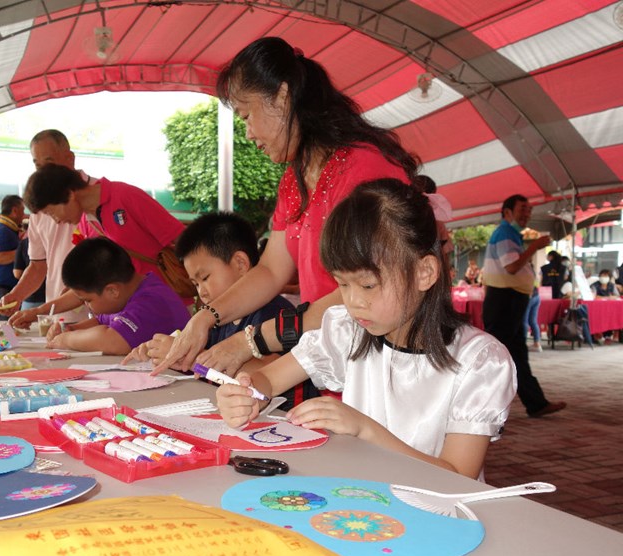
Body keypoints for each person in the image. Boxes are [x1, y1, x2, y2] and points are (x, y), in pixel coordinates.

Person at [154, 37, 419, 389]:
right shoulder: (295, 182)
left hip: (381, 366)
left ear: (282, 96)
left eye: (247, 116)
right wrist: (205, 317)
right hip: (332, 360)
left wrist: (250, 340)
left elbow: (365, 289)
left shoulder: (363, 169)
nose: (247, 133)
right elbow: (269, 270)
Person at [216, 179, 514, 480]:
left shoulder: (479, 361)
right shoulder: (349, 331)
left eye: (368, 285)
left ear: (424, 272)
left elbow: (459, 476)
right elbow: (267, 378)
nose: (354, 301)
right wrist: (247, 393)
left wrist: (365, 429)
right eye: (342, 284)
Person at [16, 163, 187, 321]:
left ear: (69, 194)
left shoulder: (125, 196)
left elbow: (185, 241)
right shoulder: (85, 223)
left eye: (51, 212)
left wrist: (206, 299)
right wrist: (38, 312)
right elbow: (87, 288)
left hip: (168, 309)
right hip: (133, 317)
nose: (57, 221)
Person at [125, 212, 292, 367]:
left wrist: (191, 360)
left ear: (240, 264)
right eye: (195, 284)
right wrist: (161, 350)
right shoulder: (215, 323)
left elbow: (272, 372)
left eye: (204, 278)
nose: (201, 292)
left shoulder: (273, 313)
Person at [0, 130, 93, 325]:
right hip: (58, 315)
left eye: (48, 164)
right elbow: (38, 265)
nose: (42, 173)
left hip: (101, 315)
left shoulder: (97, 197)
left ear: (70, 159)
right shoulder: (38, 210)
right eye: (37, 165)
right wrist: (15, 296)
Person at [482, 194, 566, 417]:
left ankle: (536, 403)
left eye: (529, 209)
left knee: (517, 353)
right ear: (507, 212)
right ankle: (474, 405)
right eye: (522, 209)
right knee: (497, 355)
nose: (527, 213)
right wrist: (535, 247)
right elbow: (511, 267)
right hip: (504, 300)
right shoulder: (505, 233)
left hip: (510, 300)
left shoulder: (511, 234)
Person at [45, 238, 189, 354]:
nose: (86, 306)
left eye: (88, 300)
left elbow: (113, 341)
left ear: (112, 291)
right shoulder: (128, 295)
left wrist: (67, 340)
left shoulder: (152, 301)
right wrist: (72, 329)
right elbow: (101, 321)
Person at [13, 223, 46, 310]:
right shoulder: (53, 242)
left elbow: (17, 273)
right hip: (55, 296)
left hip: (31, 298)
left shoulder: (24, 243)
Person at [590, 269, 620, 344]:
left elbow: (616, 295)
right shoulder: (594, 285)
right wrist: (605, 298)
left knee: (615, 315)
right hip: (598, 308)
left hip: (610, 308)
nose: (603, 277)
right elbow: (593, 296)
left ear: (609, 277)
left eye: (606, 276)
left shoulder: (612, 285)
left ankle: (610, 335)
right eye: (602, 276)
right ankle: (598, 335)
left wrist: (613, 297)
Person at [523, 284, 542, 352]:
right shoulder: (535, 273)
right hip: (536, 295)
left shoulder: (523, 273)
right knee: (533, 322)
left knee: (524, 322)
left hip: (528, 296)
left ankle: (523, 344)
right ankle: (537, 343)